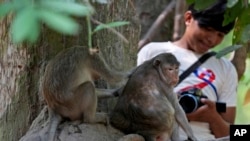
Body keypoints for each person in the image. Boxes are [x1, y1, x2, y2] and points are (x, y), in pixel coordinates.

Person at [137, 0, 238, 140]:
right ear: (188, 18)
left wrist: (213, 117)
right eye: (207, 29)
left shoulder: (225, 68)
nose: (212, 39)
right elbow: (133, 105)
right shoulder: (153, 52)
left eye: (220, 35)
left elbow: (233, 133)